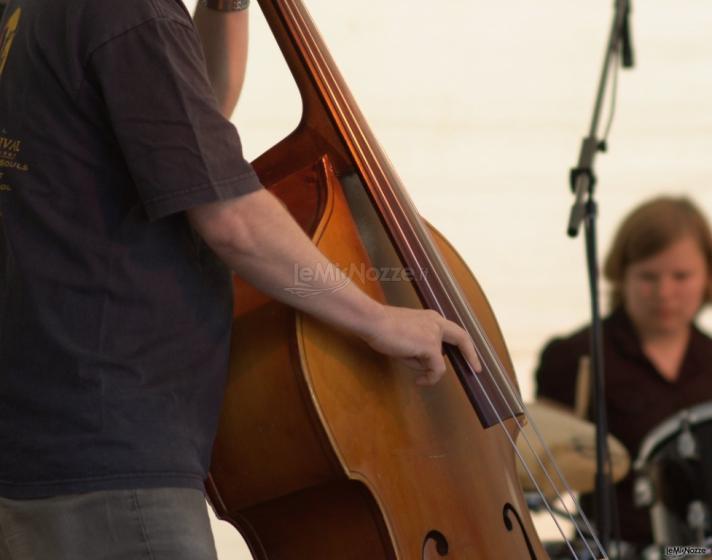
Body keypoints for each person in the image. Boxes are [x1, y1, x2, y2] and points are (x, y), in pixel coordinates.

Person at [0, 1, 481, 558]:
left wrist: (226, 8)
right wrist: (376, 318)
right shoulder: (134, 11)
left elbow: (181, 132)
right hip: (114, 460)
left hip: (47, 441)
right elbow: (231, 219)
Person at [535, 196, 712, 549]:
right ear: (620, 275)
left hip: (691, 550)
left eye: (681, 276)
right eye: (648, 276)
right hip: (609, 548)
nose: (665, 292)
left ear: (707, 276)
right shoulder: (574, 355)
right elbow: (535, 463)